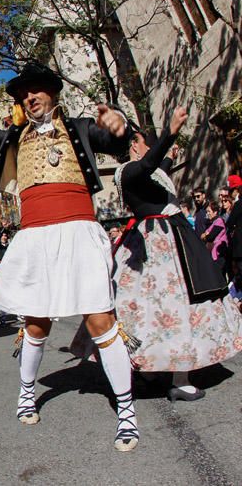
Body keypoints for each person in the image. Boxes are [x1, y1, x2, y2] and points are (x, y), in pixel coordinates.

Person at [0, 62, 138, 450]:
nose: (29, 98)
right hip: (35, 238)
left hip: (78, 232)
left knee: (100, 320)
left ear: (52, 94)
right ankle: (26, 393)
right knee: (37, 323)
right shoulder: (14, 137)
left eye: (36, 90)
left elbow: (120, 141)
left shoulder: (80, 128)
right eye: (24, 94)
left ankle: (126, 411)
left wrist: (119, 125)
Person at [113, 108, 242, 401]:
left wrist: (173, 150)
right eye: (147, 142)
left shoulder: (151, 174)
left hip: (174, 240)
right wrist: (169, 133)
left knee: (168, 309)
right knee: (171, 308)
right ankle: (171, 378)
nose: (150, 147)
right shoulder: (128, 171)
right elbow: (147, 165)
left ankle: (152, 372)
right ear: (135, 143)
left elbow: (160, 169)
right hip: (159, 246)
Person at [201, 201, 228, 274]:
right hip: (214, 254)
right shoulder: (213, 222)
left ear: (215, 212)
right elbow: (203, 235)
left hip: (219, 254)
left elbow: (210, 237)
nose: (207, 214)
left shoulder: (219, 221)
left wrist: (205, 235)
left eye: (209, 211)